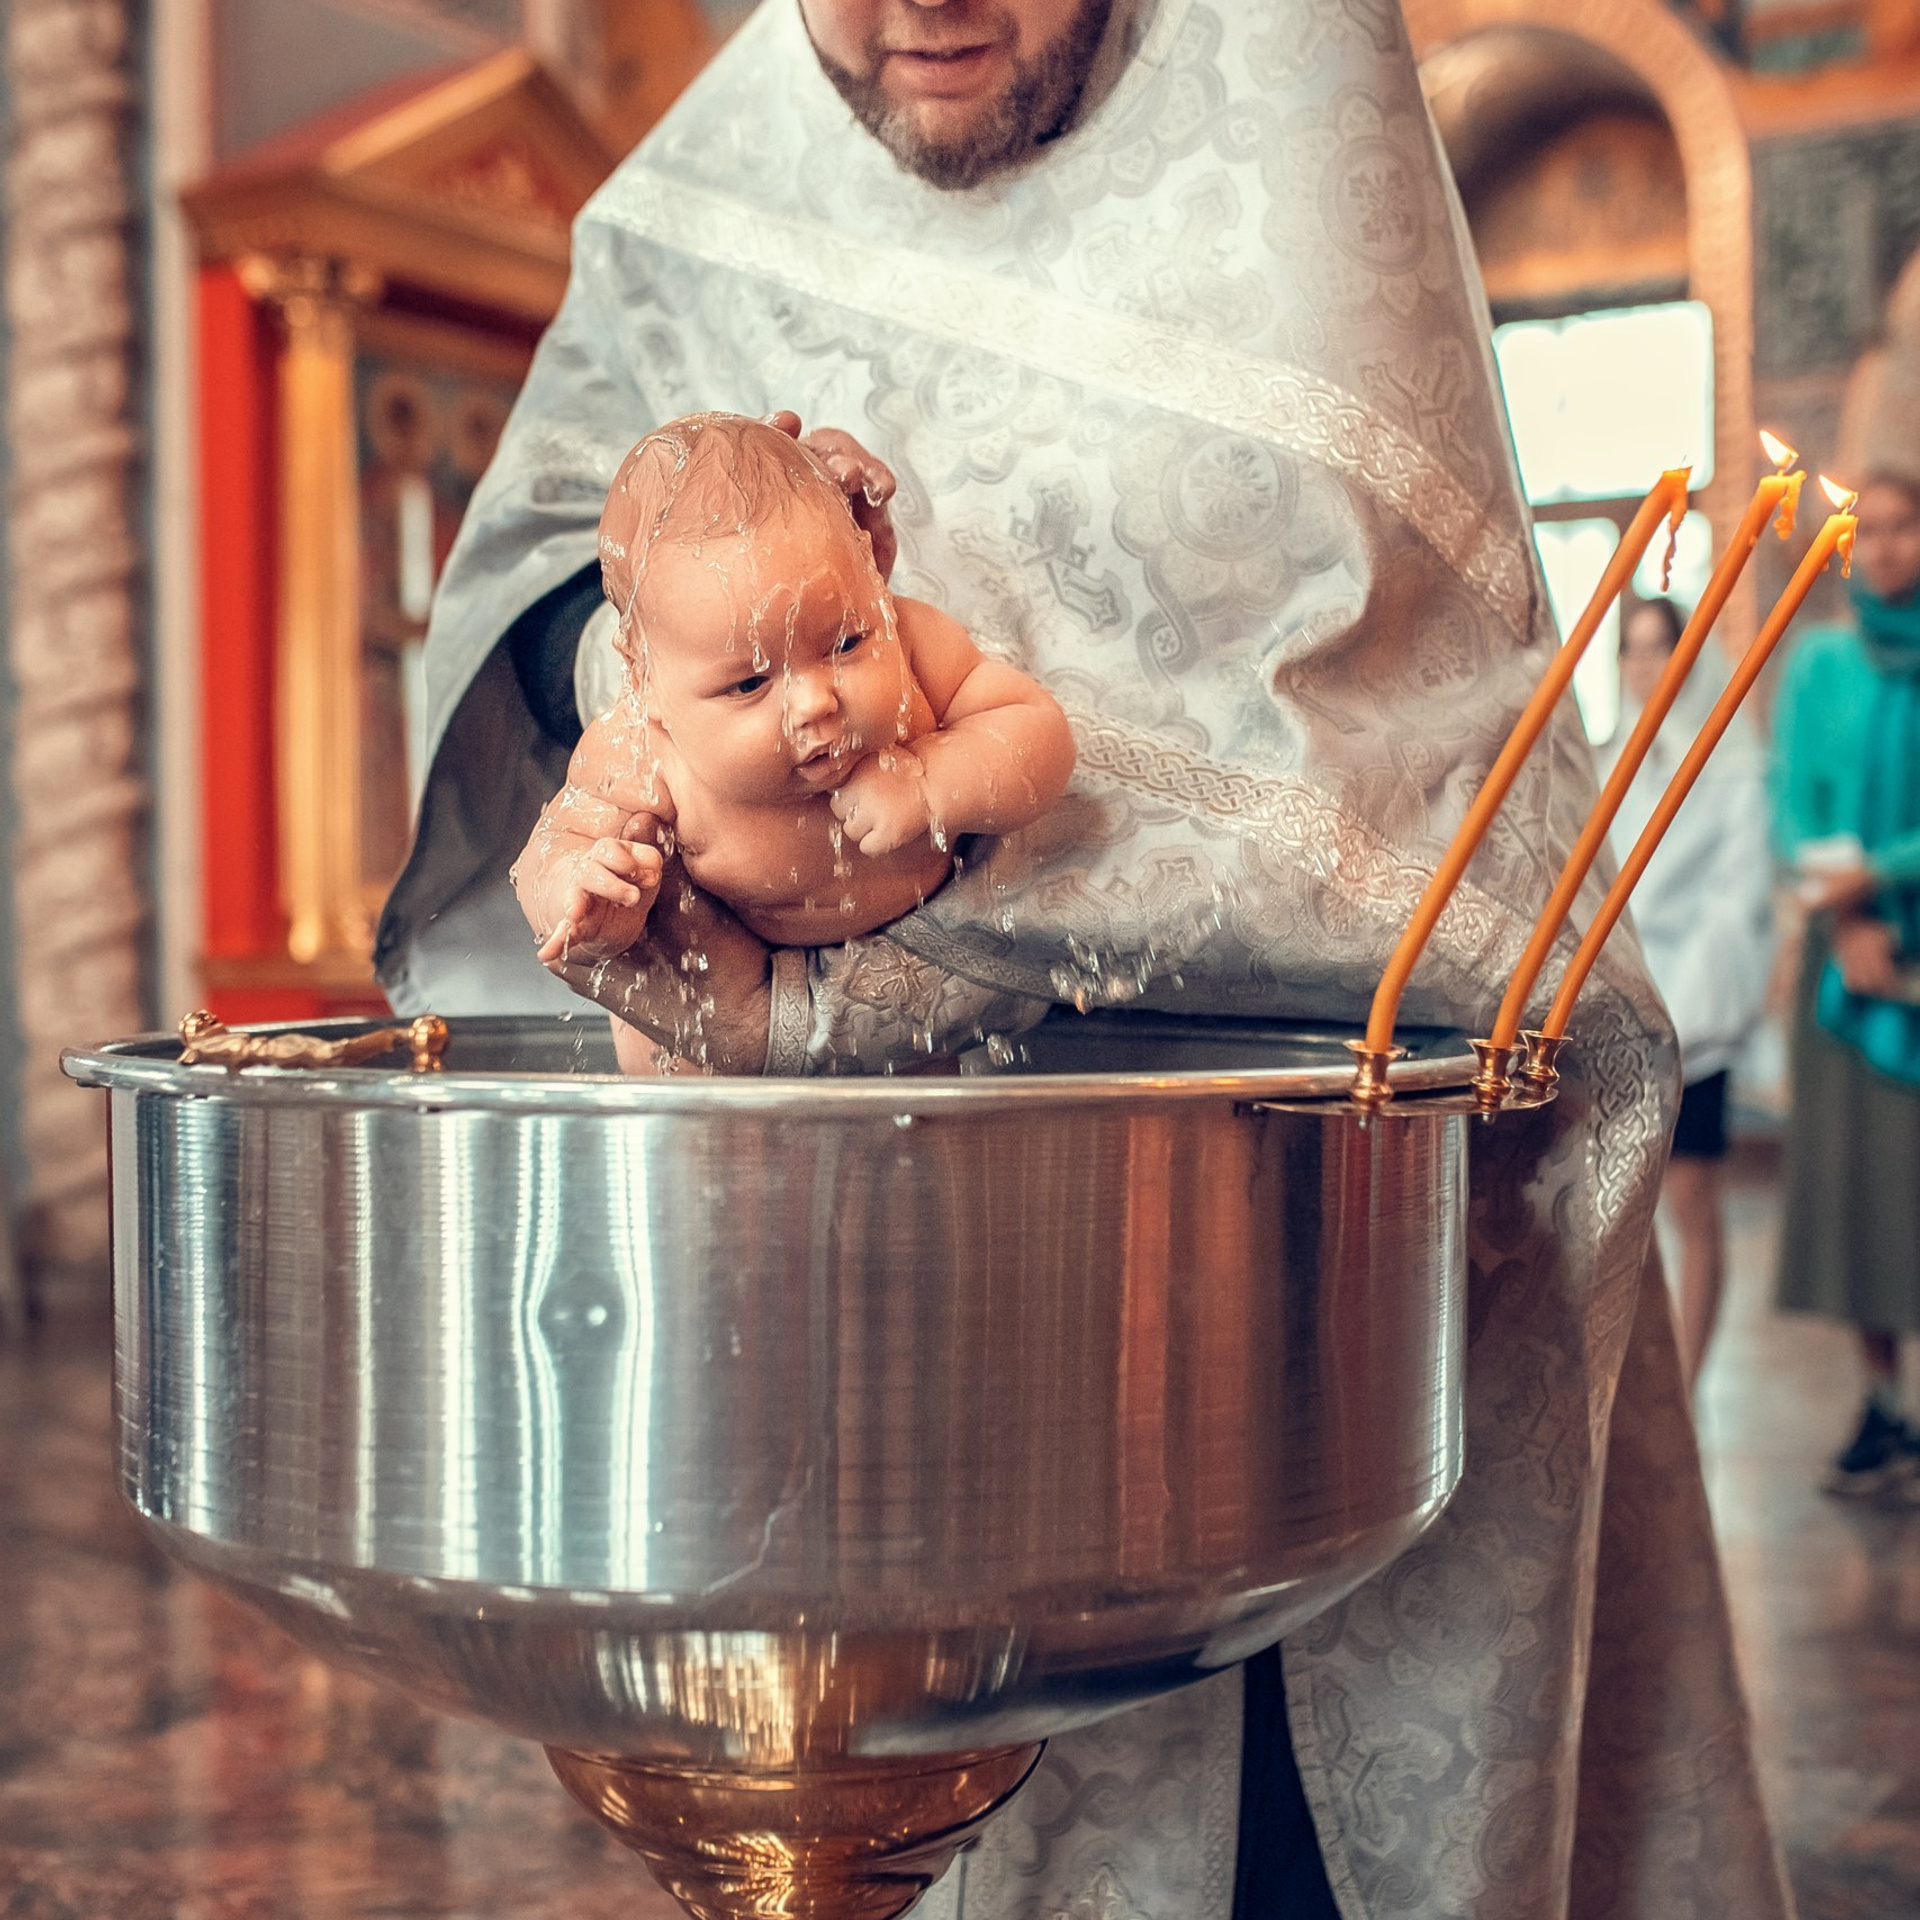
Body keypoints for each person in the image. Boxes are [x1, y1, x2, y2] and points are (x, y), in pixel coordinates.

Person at [376, 3, 1790, 1914]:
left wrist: (948, 828)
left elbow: (1387, 760)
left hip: (1318, 1249)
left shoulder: (1289, 100)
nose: (922, 7)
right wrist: (654, 702)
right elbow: (535, 576)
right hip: (869, 1312)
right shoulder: (698, 195)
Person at [512, 412, 1074, 1074]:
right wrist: (580, 894)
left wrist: (931, 781)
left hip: (910, 971)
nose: (816, 702)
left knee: (923, 1116)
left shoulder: (911, 644)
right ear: (645, 681)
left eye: (846, 643)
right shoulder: (642, 749)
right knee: (695, 1105)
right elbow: (553, 845)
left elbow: (1036, 728)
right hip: (707, 1006)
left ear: (874, 583)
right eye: (751, 682)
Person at [1772, 471, 1920, 1498]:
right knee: (1865, 1187)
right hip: (1850, 961)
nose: (1884, 546)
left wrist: (1885, 874)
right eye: (1866, 531)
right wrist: (1848, 915)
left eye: (1904, 527)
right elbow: (1794, 803)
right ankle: (1883, 1403)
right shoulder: (1819, 663)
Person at [1605, 597, 1772, 1391]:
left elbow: (1737, 898)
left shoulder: (1730, 763)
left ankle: (1688, 1385)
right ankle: (1637, 1386)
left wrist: (1679, 1009)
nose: (1645, 666)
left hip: (1689, 1011)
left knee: (1691, 1195)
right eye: (1631, 650)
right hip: (1618, 1012)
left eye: (1659, 648)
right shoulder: (1607, 763)